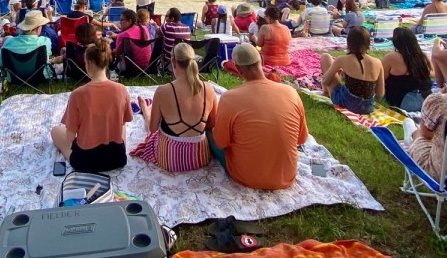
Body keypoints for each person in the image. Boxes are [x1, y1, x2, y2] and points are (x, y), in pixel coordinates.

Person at [209, 43, 308, 189]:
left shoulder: (230, 98)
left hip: (246, 176)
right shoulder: (291, 92)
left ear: (238, 69)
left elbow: (221, 142)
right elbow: (301, 139)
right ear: (261, 61)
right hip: (286, 176)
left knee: (208, 133)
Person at [131, 42, 218, 172]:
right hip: (199, 157)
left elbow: (153, 129)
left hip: (170, 158)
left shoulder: (162, 91)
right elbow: (212, 123)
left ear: (173, 62)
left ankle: (145, 109)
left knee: (151, 132)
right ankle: (146, 109)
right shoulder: (209, 89)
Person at [51, 39, 133, 171]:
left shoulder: (78, 95)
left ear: (88, 64)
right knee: (120, 125)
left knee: (55, 131)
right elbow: (124, 123)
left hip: (86, 162)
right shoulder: (122, 90)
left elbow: (70, 138)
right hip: (117, 158)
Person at [321, 27, 384, 114]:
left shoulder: (343, 59)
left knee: (326, 57)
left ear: (349, 43)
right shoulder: (378, 62)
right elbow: (380, 93)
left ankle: (325, 92)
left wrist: (336, 76)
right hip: (368, 107)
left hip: (347, 104)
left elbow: (325, 81)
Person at [381, 27, 432, 111]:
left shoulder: (392, 57)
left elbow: (380, 78)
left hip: (404, 101)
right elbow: (432, 74)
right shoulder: (423, 57)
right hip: (427, 100)